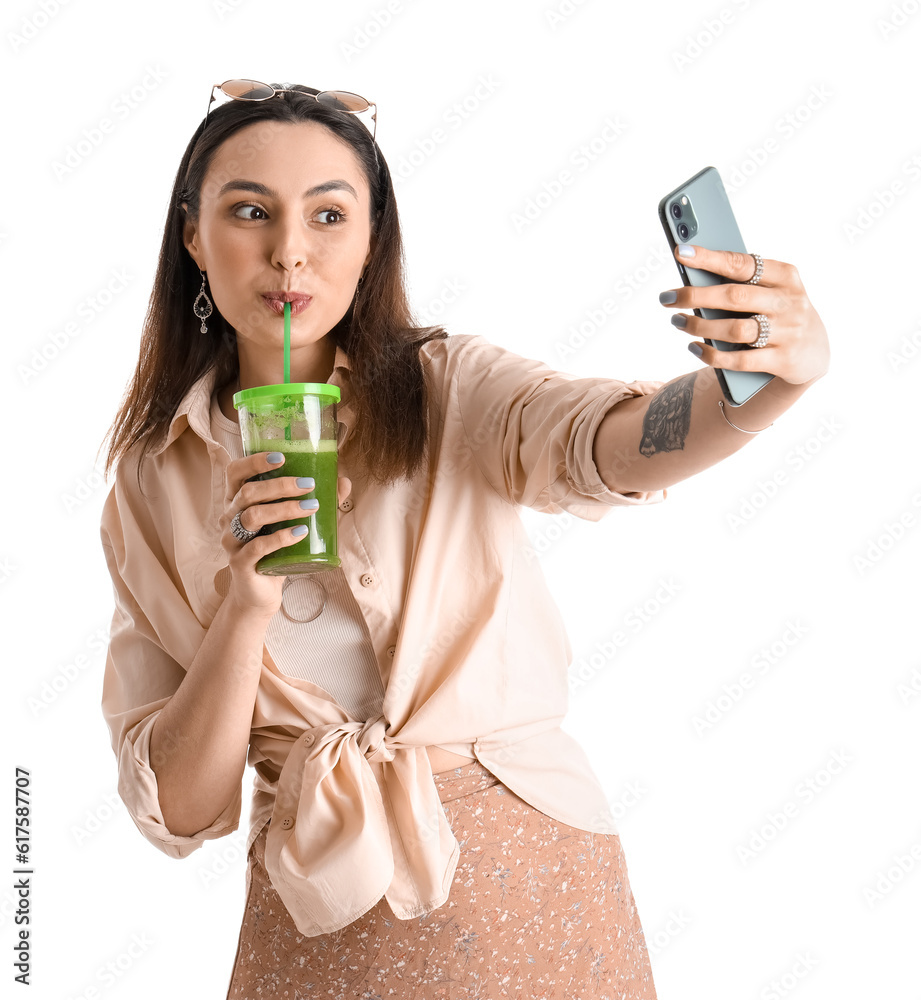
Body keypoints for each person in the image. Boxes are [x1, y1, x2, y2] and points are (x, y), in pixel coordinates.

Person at [99, 80, 830, 998]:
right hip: (314, 899)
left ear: (371, 242)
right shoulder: (150, 478)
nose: (290, 251)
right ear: (194, 235)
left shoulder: (454, 390)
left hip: (518, 867)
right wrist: (242, 606)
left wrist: (760, 387)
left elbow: (605, 441)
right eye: (251, 211)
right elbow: (183, 809)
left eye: (330, 214)